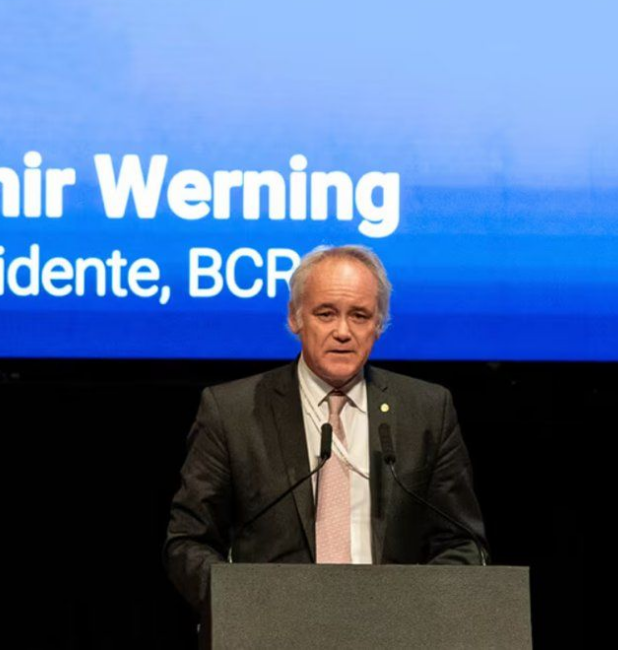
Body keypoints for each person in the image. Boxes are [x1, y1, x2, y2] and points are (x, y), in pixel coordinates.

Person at [164, 245, 487, 614]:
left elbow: (462, 543)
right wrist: (245, 605)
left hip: (394, 626)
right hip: (273, 627)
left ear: (379, 325)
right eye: (326, 314)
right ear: (295, 317)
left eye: (360, 315)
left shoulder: (427, 410)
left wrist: (417, 609)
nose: (343, 332)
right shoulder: (232, 412)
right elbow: (187, 541)